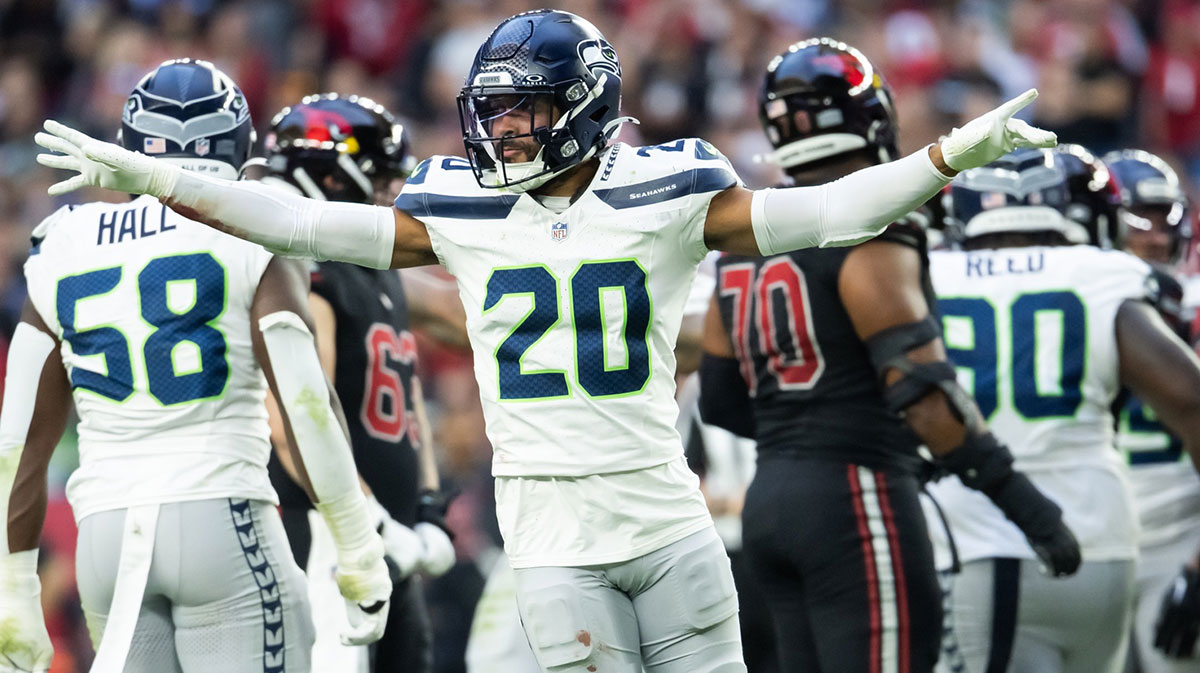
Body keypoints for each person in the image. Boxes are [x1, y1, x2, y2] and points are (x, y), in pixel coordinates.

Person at [34, 10, 1061, 671]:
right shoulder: (463, 210)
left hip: (666, 525)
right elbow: (302, 224)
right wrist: (163, 179)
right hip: (553, 545)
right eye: (496, 114)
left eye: (525, 114)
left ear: (583, 108)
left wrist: (946, 155)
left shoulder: (670, 191)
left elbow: (826, 215)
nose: (503, 134)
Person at [697, 38, 1079, 673]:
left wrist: (802, 443)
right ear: (871, 118)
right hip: (855, 496)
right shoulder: (871, 228)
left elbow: (720, 398)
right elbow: (921, 391)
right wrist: (1027, 508)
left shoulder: (743, 242)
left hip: (771, 503)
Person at [0, 59, 394, 672]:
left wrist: (14, 582)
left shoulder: (64, 239)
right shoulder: (253, 217)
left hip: (104, 540)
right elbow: (304, 399)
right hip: (221, 515)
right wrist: (356, 543)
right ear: (237, 145)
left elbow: (20, 434)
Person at [928, 148, 1200, 673]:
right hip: (1106, 542)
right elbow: (1191, 399)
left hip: (987, 543)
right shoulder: (1105, 274)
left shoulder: (930, 276)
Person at [256, 93, 456, 673]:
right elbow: (295, 416)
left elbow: (412, 390)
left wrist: (426, 505)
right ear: (330, 176)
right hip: (330, 531)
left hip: (388, 532)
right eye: (382, 176)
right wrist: (366, 518)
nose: (393, 191)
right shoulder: (306, 273)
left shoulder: (377, 272)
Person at [1100, 149, 1200, 669]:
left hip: (1179, 535)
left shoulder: (1193, 305)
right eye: (1142, 220)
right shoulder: (1078, 300)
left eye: (1167, 220)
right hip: (1091, 535)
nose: (1158, 237)